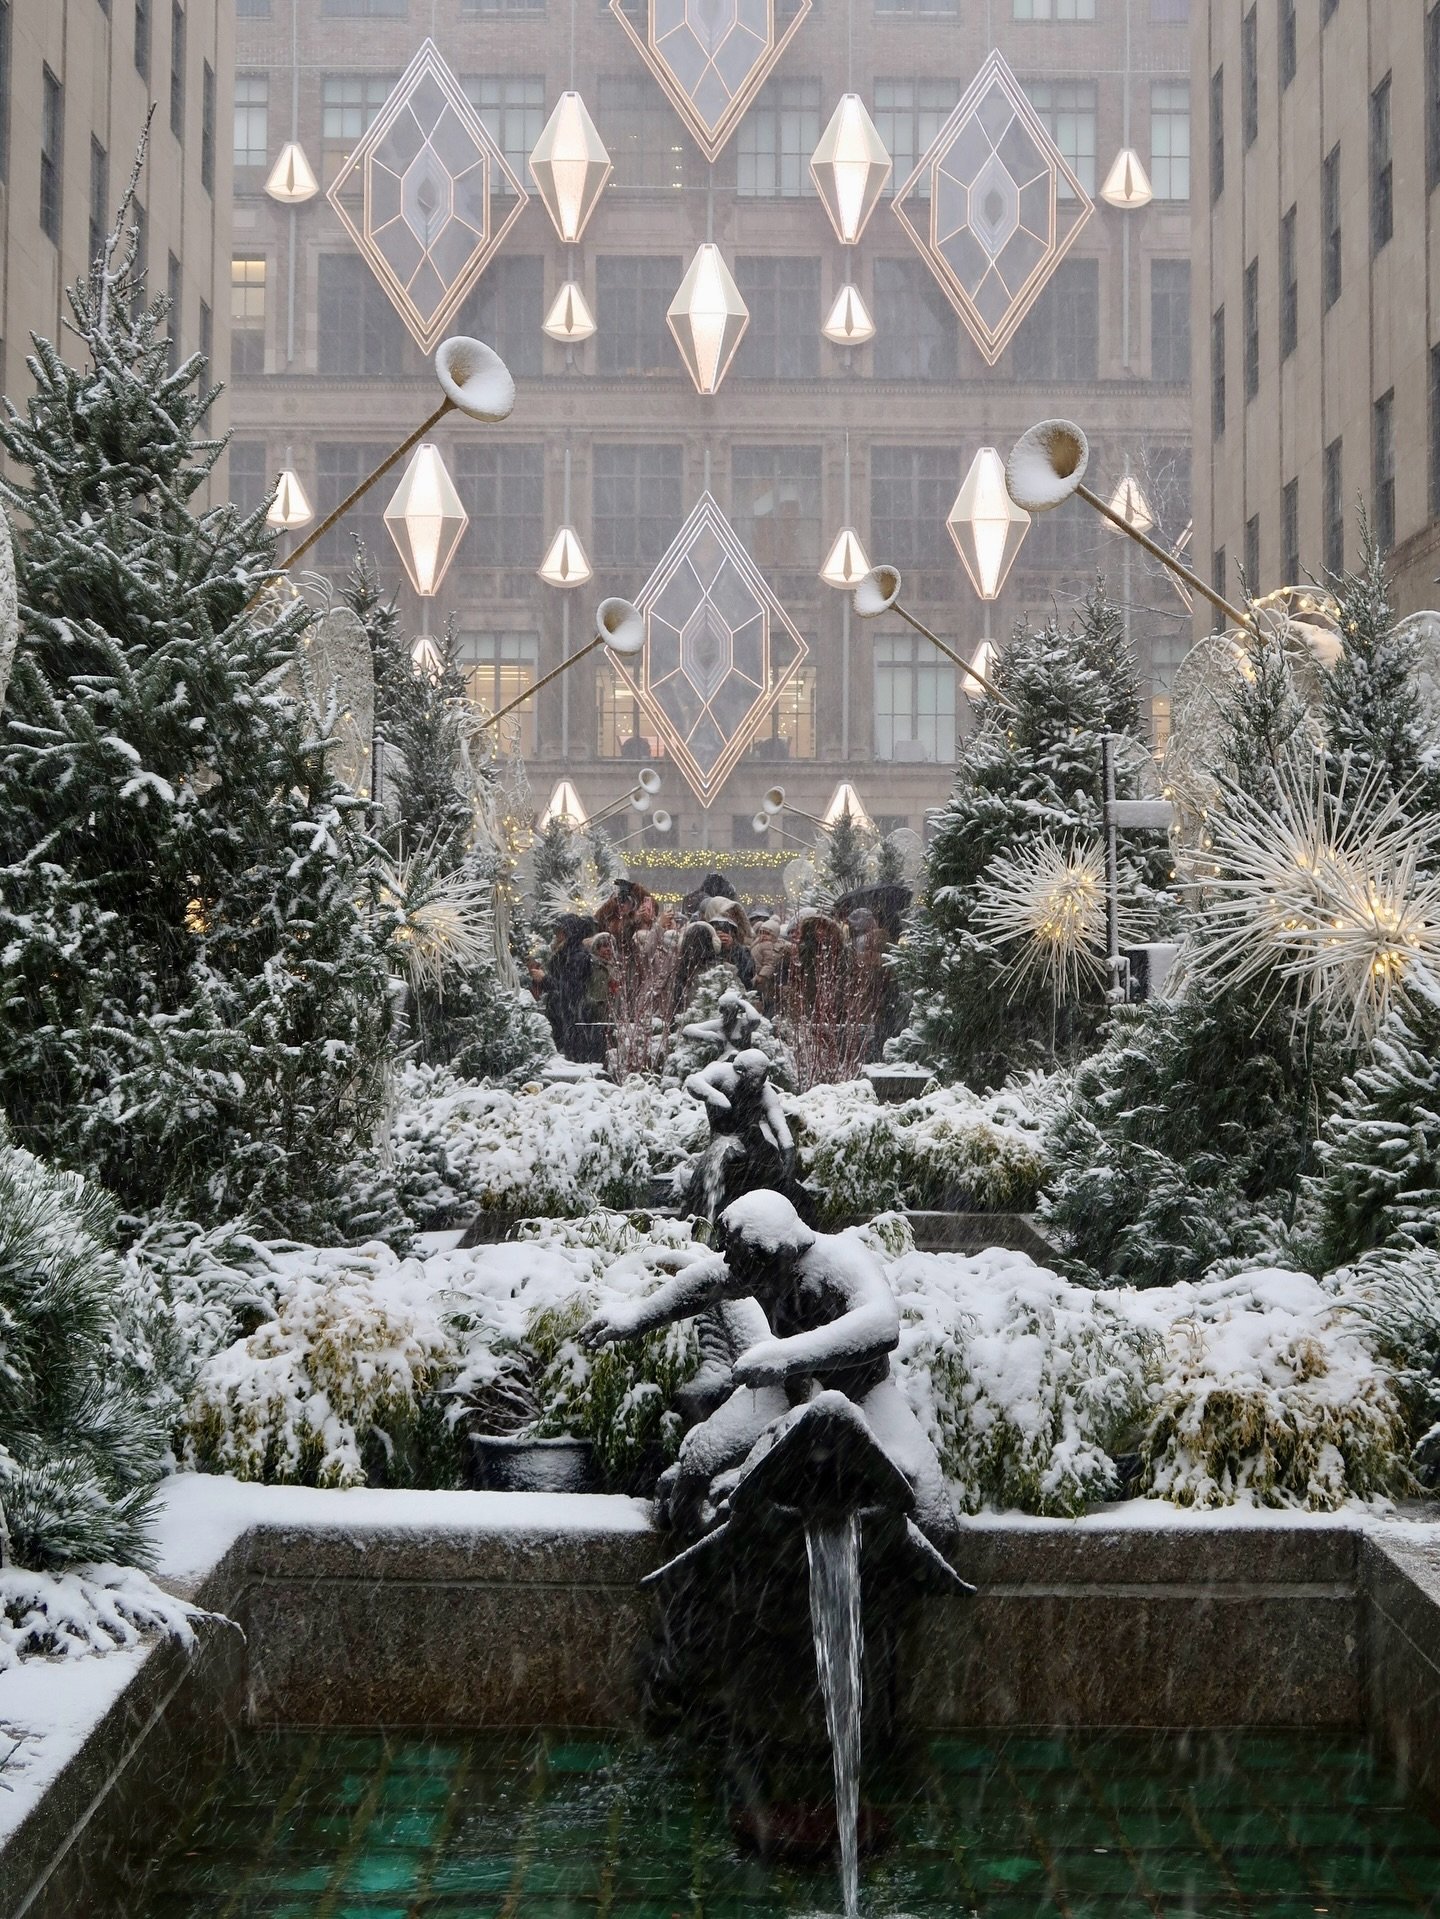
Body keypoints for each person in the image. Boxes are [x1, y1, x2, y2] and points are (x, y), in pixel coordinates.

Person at [580, 1190, 950, 1540]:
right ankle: (715, 1555)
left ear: (777, 1256)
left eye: (737, 1259)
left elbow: (883, 1326)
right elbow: (702, 1285)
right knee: (696, 1471)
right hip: (787, 1392)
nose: (729, 1266)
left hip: (866, 1396)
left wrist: (783, 1357)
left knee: (935, 1522)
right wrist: (635, 1319)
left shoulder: (841, 1261)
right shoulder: (759, 1269)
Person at [541, 913, 599, 1059]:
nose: (556, 936)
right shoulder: (564, 954)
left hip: (571, 1018)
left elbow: (569, 987)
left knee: (569, 1057)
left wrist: (544, 979)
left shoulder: (577, 957)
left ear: (569, 933)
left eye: (559, 932)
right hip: (562, 1015)